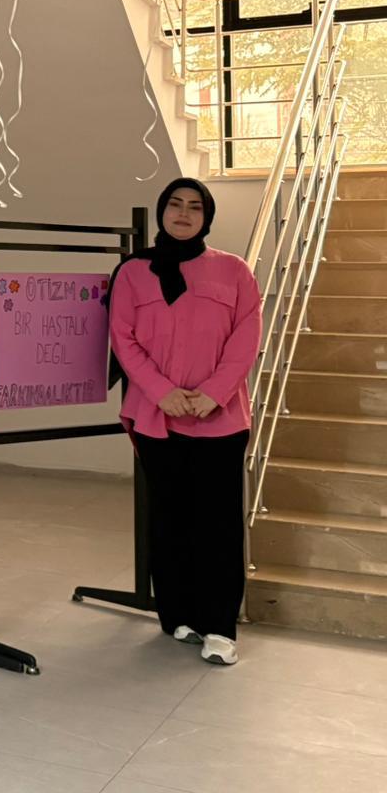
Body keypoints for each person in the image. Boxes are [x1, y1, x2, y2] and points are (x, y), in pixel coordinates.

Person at [108, 177, 259, 666]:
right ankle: (178, 614)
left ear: (206, 217)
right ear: (162, 211)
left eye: (195, 207)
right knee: (169, 517)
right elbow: (123, 338)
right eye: (175, 204)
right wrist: (162, 393)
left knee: (217, 522)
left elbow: (246, 338)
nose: (183, 214)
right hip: (157, 416)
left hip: (220, 418)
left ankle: (220, 626)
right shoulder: (132, 272)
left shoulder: (234, 270)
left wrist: (213, 393)